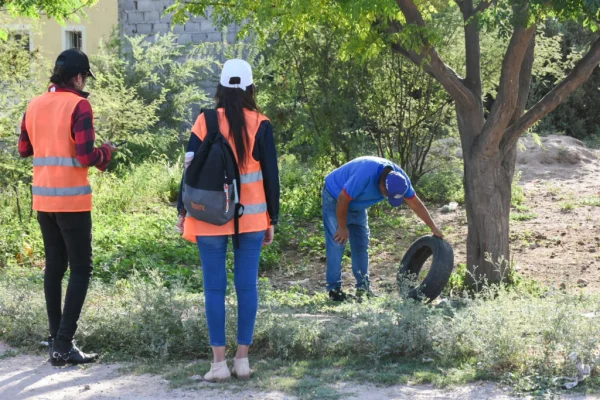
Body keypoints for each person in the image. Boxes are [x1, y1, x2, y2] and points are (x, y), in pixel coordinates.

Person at [176, 59, 280, 382]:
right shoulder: (261, 124)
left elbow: (189, 169)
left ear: (220, 87)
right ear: (251, 88)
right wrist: (271, 218)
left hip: (208, 218)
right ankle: (242, 361)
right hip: (250, 220)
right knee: (247, 286)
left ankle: (218, 364)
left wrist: (182, 211)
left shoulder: (205, 121)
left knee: (214, 288)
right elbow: (272, 178)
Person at [18, 49, 117, 365]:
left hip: (43, 199)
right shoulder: (80, 105)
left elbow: (23, 149)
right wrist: (107, 153)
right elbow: (87, 156)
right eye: (85, 77)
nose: (85, 82)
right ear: (78, 77)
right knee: (81, 268)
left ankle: (54, 339)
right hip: (71, 199)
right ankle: (63, 344)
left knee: (55, 267)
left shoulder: (34, 104)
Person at [322, 156, 443, 301]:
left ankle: (363, 288)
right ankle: (334, 290)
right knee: (338, 242)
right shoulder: (365, 174)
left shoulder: (400, 180)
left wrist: (433, 227)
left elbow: (415, 203)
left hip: (358, 204)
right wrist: (342, 226)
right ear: (382, 186)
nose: (388, 198)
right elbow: (343, 198)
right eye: (388, 195)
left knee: (361, 245)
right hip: (336, 197)